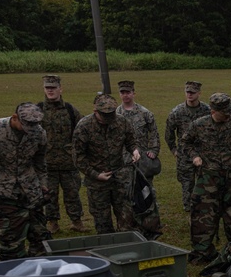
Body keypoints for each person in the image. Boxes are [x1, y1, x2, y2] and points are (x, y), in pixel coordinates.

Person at [0, 102, 50, 260]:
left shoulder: (39, 133)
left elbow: (40, 161)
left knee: (39, 233)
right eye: (27, 125)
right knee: (10, 236)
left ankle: (40, 269)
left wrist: (43, 183)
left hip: (31, 188)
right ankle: (11, 270)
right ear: (15, 118)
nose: (31, 130)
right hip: (3, 189)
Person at [180, 93, 231, 264]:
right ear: (213, 111)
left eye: (229, 111)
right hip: (208, 178)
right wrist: (194, 156)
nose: (228, 114)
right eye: (223, 112)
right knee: (203, 215)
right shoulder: (199, 125)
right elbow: (185, 142)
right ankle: (203, 252)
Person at [72, 94, 140, 234]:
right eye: (105, 115)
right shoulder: (84, 127)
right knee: (103, 222)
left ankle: (127, 247)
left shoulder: (121, 121)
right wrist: (95, 175)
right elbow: (78, 157)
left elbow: (131, 140)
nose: (109, 118)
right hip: (97, 182)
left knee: (126, 218)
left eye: (111, 114)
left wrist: (134, 150)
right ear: (95, 111)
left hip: (119, 178)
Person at [37, 74, 84, 233]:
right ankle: (53, 223)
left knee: (73, 194)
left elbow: (82, 130)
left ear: (60, 89)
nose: (50, 91)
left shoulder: (70, 110)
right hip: (46, 163)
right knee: (49, 195)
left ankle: (76, 221)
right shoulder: (37, 111)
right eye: (47, 88)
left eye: (53, 88)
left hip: (68, 162)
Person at [116, 80, 162, 237]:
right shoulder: (116, 114)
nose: (125, 95)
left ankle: (149, 223)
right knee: (125, 193)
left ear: (134, 93)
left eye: (128, 92)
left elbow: (154, 133)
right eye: (122, 92)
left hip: (142, 160)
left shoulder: (145, 113)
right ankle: (128, 226)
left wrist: (154, 151)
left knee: (146, 191)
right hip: (123, 160)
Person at [165, 81, 210, 212]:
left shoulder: (207, 110)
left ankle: (203, 205)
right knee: (187, 183)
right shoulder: (177, 112)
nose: (189, 95)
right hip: (184, 154)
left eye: (193, 92)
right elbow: (169, 133)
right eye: (187, 92)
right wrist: (174, 149)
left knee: (204, 181)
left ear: (199, 93)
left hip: (203, 153)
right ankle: (188, 207)